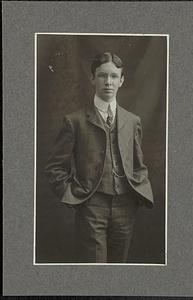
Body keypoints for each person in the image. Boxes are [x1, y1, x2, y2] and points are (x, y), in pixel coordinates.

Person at [45, 52, 153, 263]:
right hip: (91, 207)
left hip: (126, 206)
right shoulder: (74, 121)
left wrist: (138, 191)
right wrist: (73, 196)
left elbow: (139, 165)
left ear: (122, 80)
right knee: (95, 272)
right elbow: (55, 167)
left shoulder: (132, 121)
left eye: (114, 76)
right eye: (102, 76)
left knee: (119, 268)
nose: (108, 82)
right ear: (92, 78)